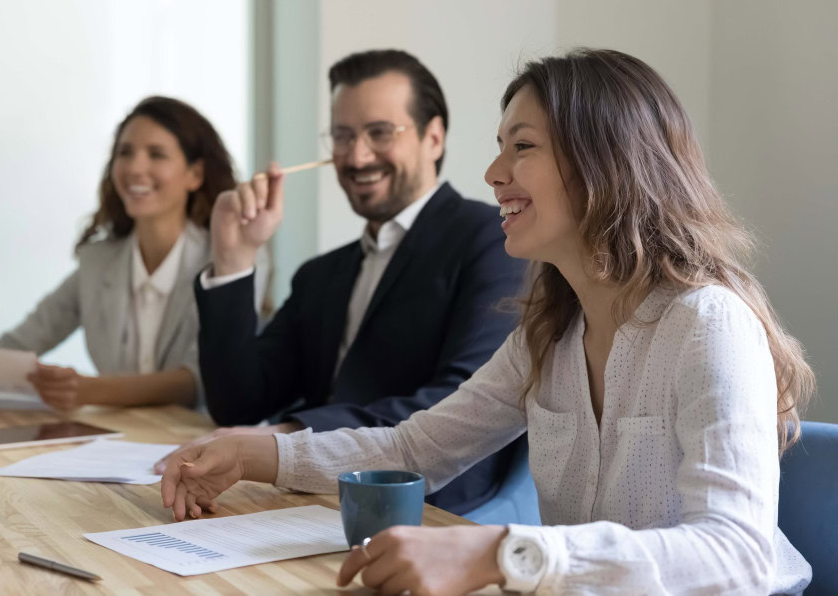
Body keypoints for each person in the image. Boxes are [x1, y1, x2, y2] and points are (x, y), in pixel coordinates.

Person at [159, 49, 815, 595]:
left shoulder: (708, 324)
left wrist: (503, 552)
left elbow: (737, 554)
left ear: (606, 162)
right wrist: (258, 453)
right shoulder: (549, 333)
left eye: (521, 147)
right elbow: (413, 450)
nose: (493, 173)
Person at [160, 50, 525, 516]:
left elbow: (459, 400)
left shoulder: (492, 242)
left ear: (434, 137)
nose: (356, 156)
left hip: (429, 509)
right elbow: (237, 402)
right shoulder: (322, 274)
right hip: (305, 502)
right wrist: (234, 257)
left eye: (378, 133)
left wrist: (285, 438)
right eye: (342, 136)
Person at [0, 96, 267, 411]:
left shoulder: (232, 260)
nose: (135, 168)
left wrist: (89, 390)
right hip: (125, 441)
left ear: (195, 174)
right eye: (125, 152)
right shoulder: (99, 262)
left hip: (206, 447)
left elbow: (197, 381)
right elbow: (30, 334)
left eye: (156, 154)